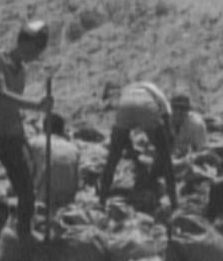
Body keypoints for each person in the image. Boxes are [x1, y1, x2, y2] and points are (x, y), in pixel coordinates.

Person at [0, 20, 52, 261]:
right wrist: (36, 105)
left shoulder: (22, 71)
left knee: (26, 189)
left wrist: (23, 138)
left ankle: (24, 241)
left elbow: (13, 109)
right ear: (23, 43)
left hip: (10, 135)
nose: (35, 56)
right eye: (34, 49)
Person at [99, 81, 178, 211]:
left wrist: (135, 158)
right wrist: (164, 153)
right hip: (146, 106)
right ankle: (174, 202)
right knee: (166, 158)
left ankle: (102, 200)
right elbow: (167, 127)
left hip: (124, 107)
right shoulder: (157, 92)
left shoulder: (127, 91)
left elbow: (125, 140)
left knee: (112, 159)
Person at [27, 113, 80, 209]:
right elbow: (77, 178)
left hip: (45, 196)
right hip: (68, 199)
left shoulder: (34, 142)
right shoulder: (74, 147)